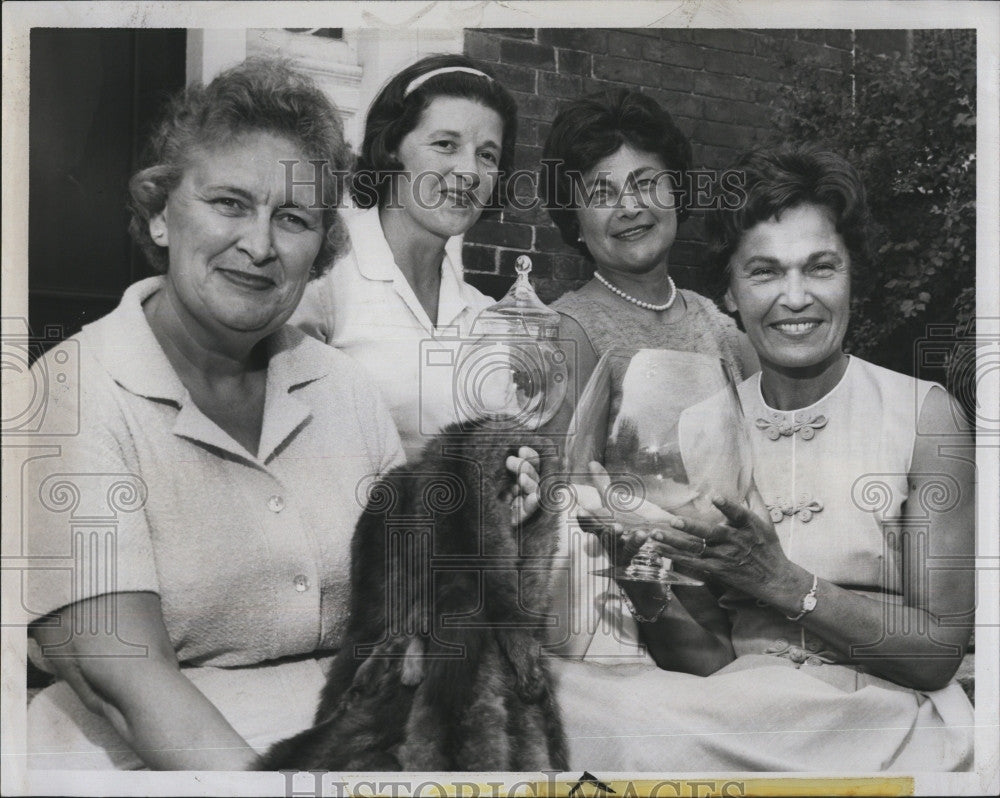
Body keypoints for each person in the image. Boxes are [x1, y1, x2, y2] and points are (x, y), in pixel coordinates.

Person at [23, 58, 539, 771]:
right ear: (159, 215)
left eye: (292, 218)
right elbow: (123, 681)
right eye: (230, 203)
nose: (260, 245)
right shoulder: (70, 393)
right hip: (153, 756)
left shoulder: (344, 389)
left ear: (320, 251)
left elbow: (413, 604)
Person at [557, 145, 975, 771]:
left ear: (852, 275)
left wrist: (780, 581)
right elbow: (707, 660)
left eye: (821, 267)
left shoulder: (925, 415)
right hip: (742, 713)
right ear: (728, 292)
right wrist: (634, 573)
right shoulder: (702, 426)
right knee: (550, 689)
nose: (796, 296)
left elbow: (939, 651)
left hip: (877, 717)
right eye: (765, 272)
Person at [291, 54, 530, 460]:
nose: (469, 172)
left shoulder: (487, 317)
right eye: (445, 145)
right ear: (391, 150)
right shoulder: (321, 273)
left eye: (487, 155)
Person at [542, 89, 759, 392]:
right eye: (601, 193)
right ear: (575, 220)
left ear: (676, 194)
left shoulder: (719, 326)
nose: (629, 208)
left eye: (645, 184)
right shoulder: (566, 335)